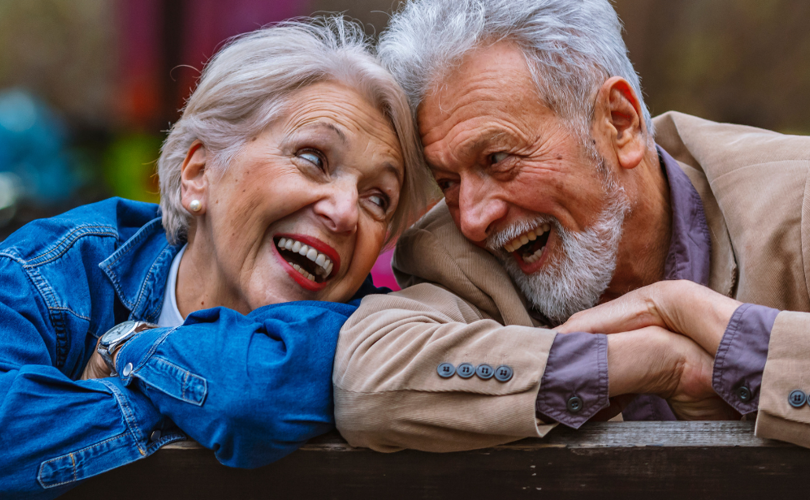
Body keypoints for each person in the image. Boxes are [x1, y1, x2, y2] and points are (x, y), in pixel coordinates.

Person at [333, 0, 810, 452]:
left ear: (619, 124)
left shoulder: (796, 196)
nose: (474, 219)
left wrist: (703, 322)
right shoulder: (451, 256)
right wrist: (656, 364)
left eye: (497, 158)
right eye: (448, 181)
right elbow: (367, 383)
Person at [0, 17, 431, 498]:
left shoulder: (367, 326)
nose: (347, 212)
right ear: (199, 173)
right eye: (313, 158)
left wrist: (127, 350)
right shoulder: (58, 267)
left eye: (379, 198)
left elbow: (250, 400)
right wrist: (182, 394)